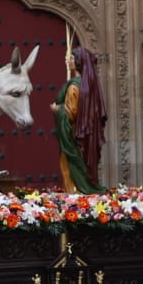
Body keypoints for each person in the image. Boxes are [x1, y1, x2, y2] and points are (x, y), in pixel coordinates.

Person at [51, 45, 107, 194]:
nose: (68, 61)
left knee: (70, 165)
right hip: (83, 135)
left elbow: (71, 113)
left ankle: (75, 192)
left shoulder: (74, 87)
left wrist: (57, 109)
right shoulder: (86, 85)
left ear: (79, 61)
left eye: (72, 58)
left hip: (73, 136)